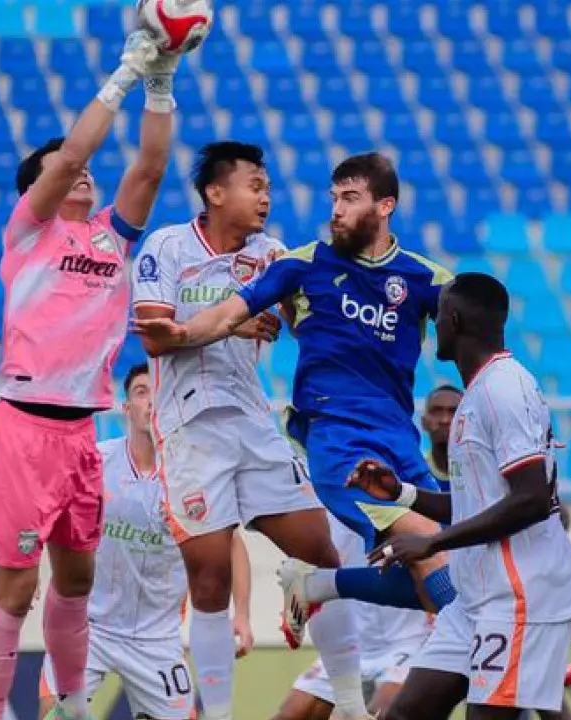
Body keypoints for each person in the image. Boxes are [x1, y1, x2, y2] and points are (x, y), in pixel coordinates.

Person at [133, 152, 460, 643]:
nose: (336, 210)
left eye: (349, 198)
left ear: (386, 205)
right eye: (333, 199)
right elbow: (225, 315)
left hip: (400, 444)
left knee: (442, 573)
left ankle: (319, 585)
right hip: (340, 447)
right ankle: (504, 654)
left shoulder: (427, 279)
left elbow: (478, 339)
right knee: (431, 550)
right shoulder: (302, 264)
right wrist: (177, 333)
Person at [0, 29, 183, 720]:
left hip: (78, 437)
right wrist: (127, 71)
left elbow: (149, 168)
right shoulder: (29, 234)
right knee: (16, 589)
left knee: (76, 582)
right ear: (33, 189)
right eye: (62, 174)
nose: (82, 177)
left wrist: (163, 78)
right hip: (23, 428)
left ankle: (68, 705)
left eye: (87, 176)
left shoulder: (111, 239)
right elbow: (69, 156)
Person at [132, 142, 366, 720]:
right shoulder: (166, 246)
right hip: (189, 430)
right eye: (253, 184)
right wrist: (232, 325)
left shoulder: (271, 255)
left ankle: (355, 706)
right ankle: (217, 714)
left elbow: (305, 322)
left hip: (252, 421)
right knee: (209, 581)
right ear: (215, 192)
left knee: (322, 553)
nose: (265, 196)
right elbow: (155, 338)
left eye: (266, 187)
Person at [357, 273, 571, 719]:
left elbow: (531, 498)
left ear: (455, 320)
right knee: (404, 713)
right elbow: (472, 505)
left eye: (438, 316)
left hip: (520, 594)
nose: (434, 325)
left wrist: (432, 542)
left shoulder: (504, 388)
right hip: (474, 599)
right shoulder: (478, 393)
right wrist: (399, 493)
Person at [32, 364, 254, 720]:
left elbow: (231, 544)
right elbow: (48, 508)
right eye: (141, 392)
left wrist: (241, 614)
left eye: (159, 392)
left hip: (158, 638)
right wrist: (29, 566)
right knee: (52, 713)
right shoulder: (96, 462)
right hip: (91, 628)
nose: (151, 400)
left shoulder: (193, 473)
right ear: (127, 408)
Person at [271, 513, 431, 720]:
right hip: (352, 645)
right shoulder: (322, 510)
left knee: (386, 711)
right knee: (290, 714)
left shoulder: (396, 497)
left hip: (408, 640)